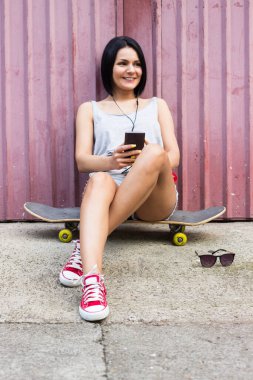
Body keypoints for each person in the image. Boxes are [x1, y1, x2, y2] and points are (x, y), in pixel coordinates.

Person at [59, 36, 180, 322]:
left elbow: (174, 155)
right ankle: (92, 280)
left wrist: (148, 158)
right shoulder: (89, 109)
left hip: (154, 197)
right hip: (111, 192)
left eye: (137, 64)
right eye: (123, 63)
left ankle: (85, 244)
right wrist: (112, 161)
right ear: (109, 68)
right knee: (99, 178)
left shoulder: (157, 105)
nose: (131, 70)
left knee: (154, 153)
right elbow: (82, 161)